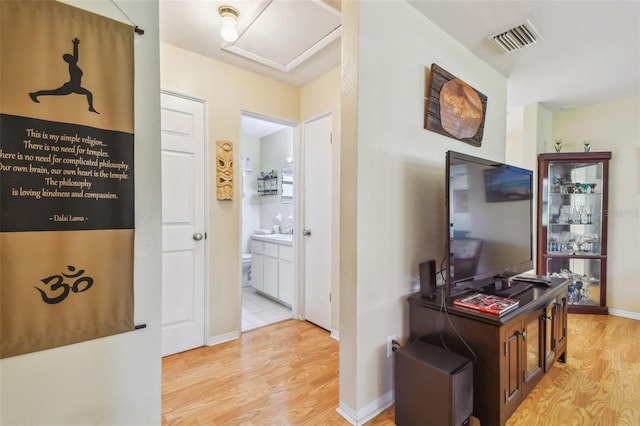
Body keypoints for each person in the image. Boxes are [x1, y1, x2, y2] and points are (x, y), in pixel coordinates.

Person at [29, 38, 99, 114]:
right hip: (71, 87)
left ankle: (90, 107)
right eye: (70, 57)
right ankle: (34, 94)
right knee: (52, 92)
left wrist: (75, 45)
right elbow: (76, 57)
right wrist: (75, 45)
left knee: (88, 93)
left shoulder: (74, 65)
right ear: (68, 59)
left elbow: (75, 57)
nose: (72, 57)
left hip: (74, 87)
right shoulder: (72, 65)